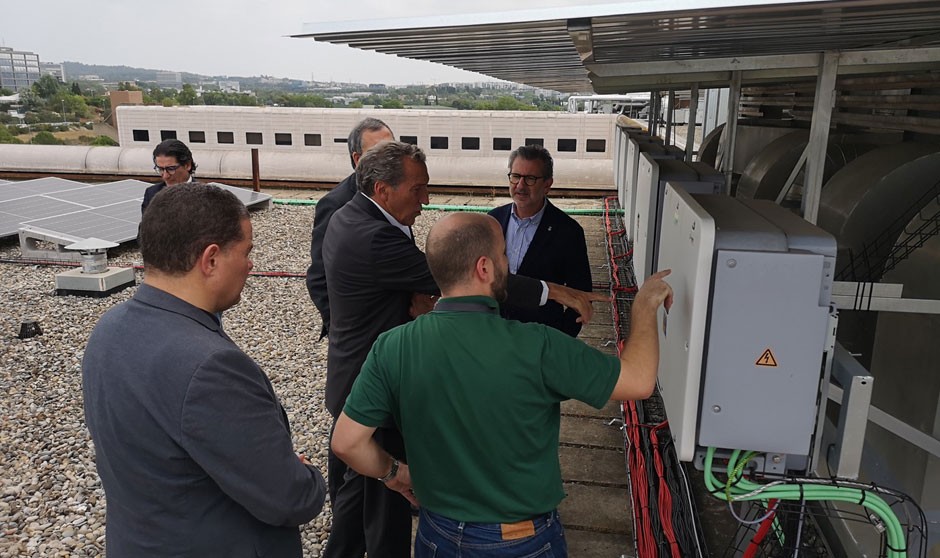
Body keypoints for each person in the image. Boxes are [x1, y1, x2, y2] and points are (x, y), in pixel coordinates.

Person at [320, 141, 607, 558]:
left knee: (355, 497)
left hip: (366, 373)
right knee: (385, 510)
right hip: (375, 386)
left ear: (548, 183)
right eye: (418, 189)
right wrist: (557, 292)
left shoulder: (349, 216)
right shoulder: (375, 237)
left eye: (530, 178)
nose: (426, 199)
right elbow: (454, 276)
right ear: (383, 190)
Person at [331, 212, 673, 558]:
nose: (507, 264)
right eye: (504, 256)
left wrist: (394, 473)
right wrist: (643, 307)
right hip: (521, 541)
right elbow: (639, 381)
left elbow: (347, 443)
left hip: (436, 535)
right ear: (484, 268)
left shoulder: (393, 345)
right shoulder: (539, 345)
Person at [83, 183, 327, 557]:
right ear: (210, 259)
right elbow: (289, 498)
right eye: (246, 251)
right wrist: (306, 475)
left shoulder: (109, 329)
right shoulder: (211, 366)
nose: (250, 265)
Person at [305, 117, 395, 340]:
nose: (391, 160)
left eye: (392, 150)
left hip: (394, 322)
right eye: (379, 153)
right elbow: (318, 277)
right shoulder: (335, 204)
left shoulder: (396, 194)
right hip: (359, 332)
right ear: (358, 159)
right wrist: (342, 328)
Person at [489, 144, 593, 336]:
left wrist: (559, 340)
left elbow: (581, 293)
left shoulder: (568, 231)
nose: (520, 186)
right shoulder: (492, 220)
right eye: (515, 176)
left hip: (539, 340)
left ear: (547, 184)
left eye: (530, 179)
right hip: (491, 332)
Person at [141, 138, 197, 213]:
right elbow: (145, 224)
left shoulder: (207, 197)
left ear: (187, 165)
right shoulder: (151, 194)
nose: (165, 176)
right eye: (160, 169)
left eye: (171, 169)